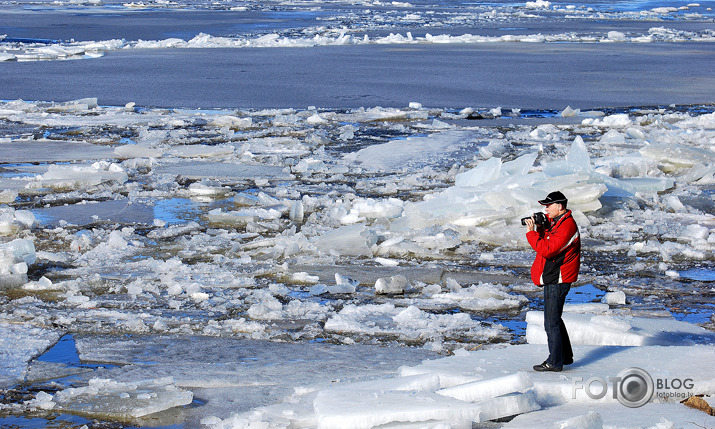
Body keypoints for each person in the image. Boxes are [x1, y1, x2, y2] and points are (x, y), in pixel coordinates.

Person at [524, 191, 580, 372]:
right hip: (555, 276)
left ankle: (555, 362)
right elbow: (551, 239)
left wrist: (532, 234)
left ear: (560, 206)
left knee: (551, 322)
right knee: (555, 319)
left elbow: (548, 249)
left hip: (558, 278)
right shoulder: (560, 222)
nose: (546, 209)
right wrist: (542, 227)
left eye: (549, 206)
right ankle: (565, 356)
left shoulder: (567, 226)